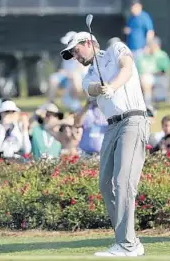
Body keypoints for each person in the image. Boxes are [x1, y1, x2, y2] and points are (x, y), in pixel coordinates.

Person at [61, 31, 149, 257]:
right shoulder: (87, 74)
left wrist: (113, 85)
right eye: (71, 54)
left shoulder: (116, 49)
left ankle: (127, 244)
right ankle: (129, 241)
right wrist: (102, 88)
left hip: (133, 119)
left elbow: (127, 68)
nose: (75, 56)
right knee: (106, 183)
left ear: (88, 42)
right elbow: (91, 89)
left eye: (76, 50)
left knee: (123, 181)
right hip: (112, 126)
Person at [137, 37, 170, 107]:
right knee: (145, 79)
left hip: (159, 77)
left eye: (151, 45)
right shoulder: (143, 56)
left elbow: (164, 70)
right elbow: (140, 69)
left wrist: (152, 73)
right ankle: (147, 103)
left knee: (146, 79)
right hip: (145, 78)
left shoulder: (161, 55)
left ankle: (147, 103)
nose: (150, 47)